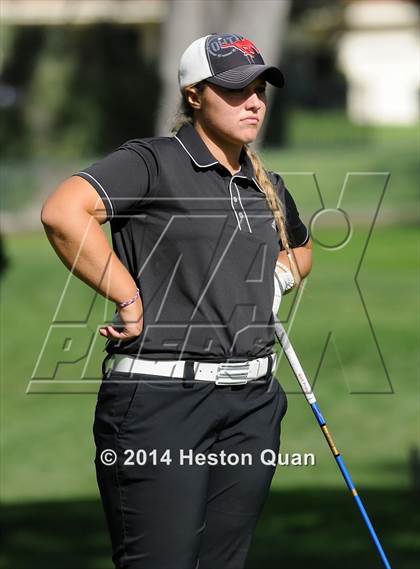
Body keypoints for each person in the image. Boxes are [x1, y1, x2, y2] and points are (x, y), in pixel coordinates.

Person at [41, 33, 312, 569]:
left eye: (260, 88)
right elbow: (64, 213)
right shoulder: (153, 161)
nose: (254, 100)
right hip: (160, 403)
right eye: (236, 89)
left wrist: (270, 281)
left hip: (252, 405)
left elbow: (298, 251)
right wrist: (128, 297)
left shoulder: (265, 183)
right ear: (194, 94)